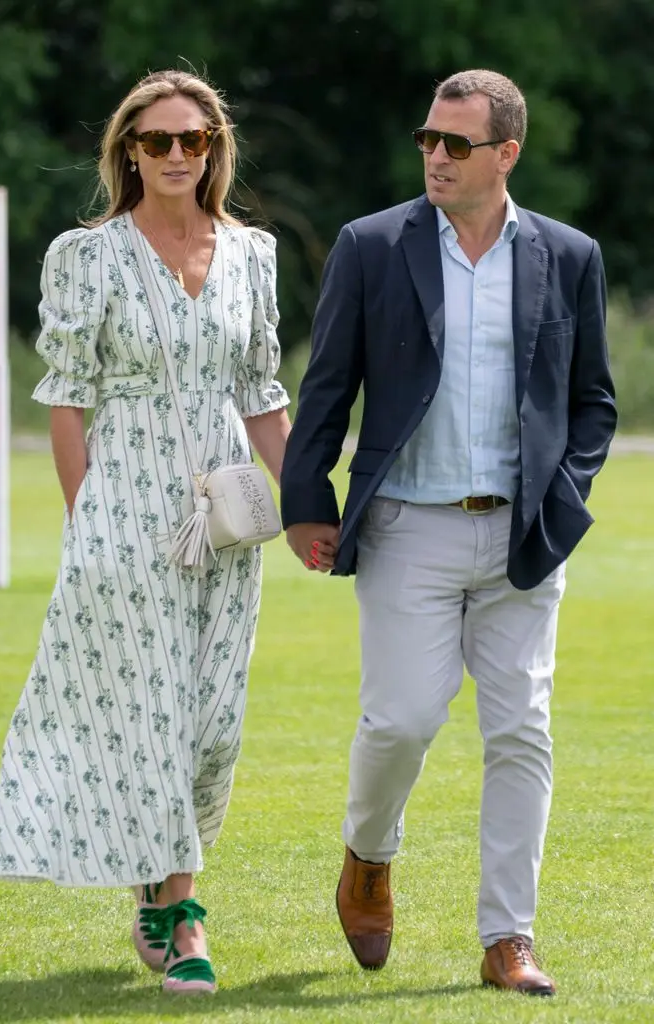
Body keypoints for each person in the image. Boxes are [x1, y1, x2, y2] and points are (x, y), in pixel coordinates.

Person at [280, 69, 616, 996]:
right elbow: (327, 383)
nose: (434, 155)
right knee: (401, 721)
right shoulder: (371, 244)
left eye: (455, 144)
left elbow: (592, 403)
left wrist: (563, 499)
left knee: (522, 733)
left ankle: (508, 936)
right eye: (428, 138)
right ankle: (368, 859)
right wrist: (306, 499)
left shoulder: (570, 255)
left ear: (504, 154)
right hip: (404, 530)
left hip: (522, 537)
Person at [0, 68, 291, 995]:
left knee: (208, 724)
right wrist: (86, 523)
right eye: (154, 140)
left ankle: (157, 888)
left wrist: (312, 505)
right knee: (147, 716)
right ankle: (179, 912)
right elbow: (66, 401)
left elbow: (264, 393)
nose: (172, 155)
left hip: (226, 516)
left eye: (190, 140)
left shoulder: (253, 253)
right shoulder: (85, 255)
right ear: (126, 150)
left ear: (213, 150)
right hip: (124, 509)